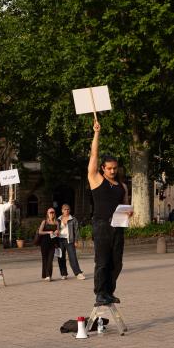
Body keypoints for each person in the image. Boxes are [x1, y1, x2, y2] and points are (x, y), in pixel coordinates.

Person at [87, 119, 131, 306]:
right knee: (102, 261)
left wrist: (129, 213)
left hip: (118, 227)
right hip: (101, 225)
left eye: (115, 168)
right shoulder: (96, 179)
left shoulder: (122, 186)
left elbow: (126, 205)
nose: (113, 171)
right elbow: (94, 155)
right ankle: (100, 293)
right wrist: (96, 133)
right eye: (109, 168)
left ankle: (109, 291)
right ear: (103, 168)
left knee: (117, 263)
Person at [57, 204, 86, 280]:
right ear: (62, 210)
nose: (66, 211)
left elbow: (76, 231)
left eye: (68, 209)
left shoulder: (73, 219)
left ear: (69, 210)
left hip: (69, 240)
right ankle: (63, 274)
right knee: (61, 257)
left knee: (73, 257)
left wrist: (76, 241)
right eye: (65, 209)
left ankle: (78, 273)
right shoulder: (58, 219)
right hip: (60, 240)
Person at [38, 207, 59, 281]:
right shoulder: (45, 222)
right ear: (47, 213)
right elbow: (40, 232)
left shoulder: (56, 222)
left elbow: (58, 233)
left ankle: (48, 275)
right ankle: (46, 275)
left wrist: (57, 232)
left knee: (50, 260)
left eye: (53, 212)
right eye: (50, 212)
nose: (52, 214)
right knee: (45, 259)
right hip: (44, 243)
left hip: (52, 243)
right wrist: (48, 232)